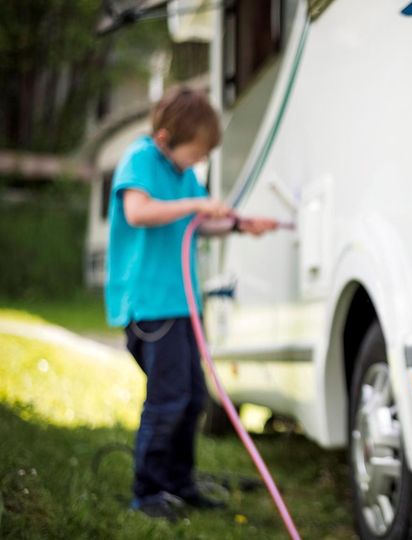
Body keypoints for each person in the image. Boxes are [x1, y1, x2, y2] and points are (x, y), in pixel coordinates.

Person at [105, 86, 278, 520]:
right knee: (167, 399)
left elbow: (196, 223)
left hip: (182, 305)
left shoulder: (181, 174)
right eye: (196, 152)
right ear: (165, 138)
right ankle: (148, 492)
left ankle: (179, 484)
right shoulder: (141, 158)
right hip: (151, 305)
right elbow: (138, 212)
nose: (198, 160)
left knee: (192, 397)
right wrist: (197, 201)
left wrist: (238, 225)